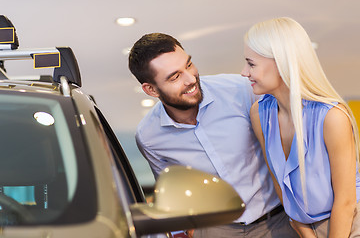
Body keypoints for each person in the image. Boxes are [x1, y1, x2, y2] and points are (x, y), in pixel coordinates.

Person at [128, 33, 298, 237]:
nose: (190, 79)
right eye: (175, 76)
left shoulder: (242, 91)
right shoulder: (149, 137)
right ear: (151, 89)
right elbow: (173, 196)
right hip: (215, 231)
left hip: (277, 223)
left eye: (189, 65)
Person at [241, 17, 360, 238]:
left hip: (348, 225)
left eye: (251, 63)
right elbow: (282, 188)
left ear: (280, 62)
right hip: (300, 229)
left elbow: (346, 203)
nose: (244, 72)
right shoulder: (259, 114)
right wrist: (306, 234)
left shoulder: (331, 117)